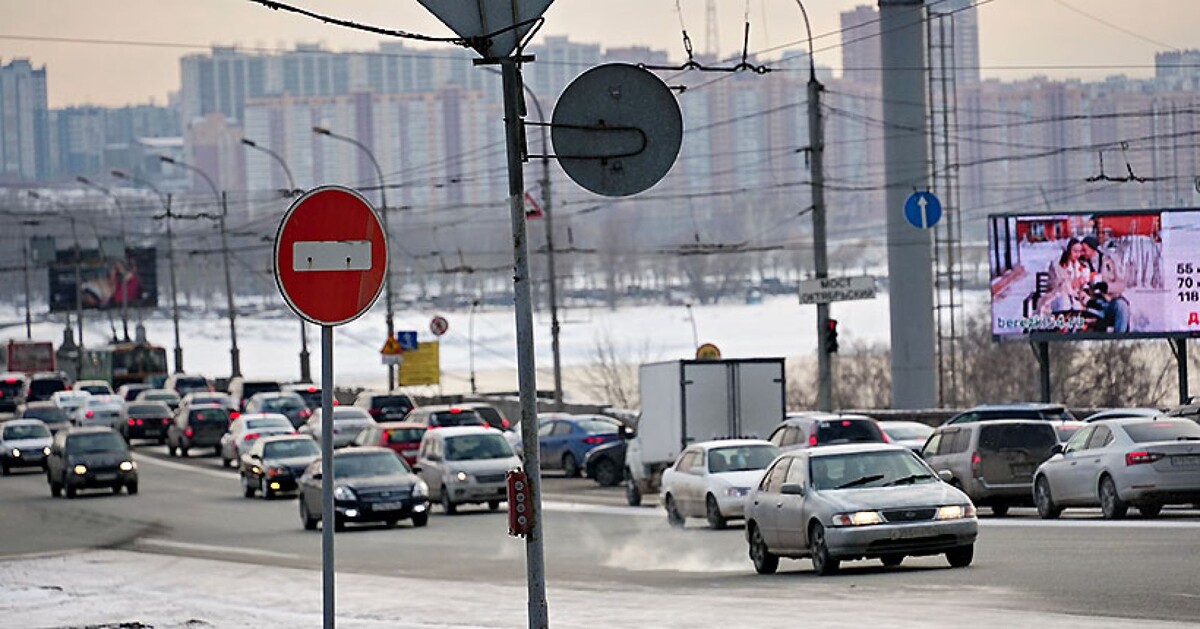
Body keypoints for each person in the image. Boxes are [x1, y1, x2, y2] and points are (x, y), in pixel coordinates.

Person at [1080, 235, 1130, 333]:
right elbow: (1078, 289)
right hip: (1091, 305)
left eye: (1084, 250)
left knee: (1122, 306)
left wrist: (1107, 287)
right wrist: (1088, 300)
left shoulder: (1109, 261)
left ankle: (1120, 338)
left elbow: (1121, 284)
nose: (1082, 253)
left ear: (1092, 249)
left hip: (1109, 301)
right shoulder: (1080, 264)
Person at [1040, 238, 1090, 314]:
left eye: (1080, 251)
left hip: (1075, 299)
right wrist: (1070, 285)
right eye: (1075, 251)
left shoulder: (1080, 265)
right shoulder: (1057, 265)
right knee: (1065, 302)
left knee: (1078, 306)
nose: (1078, 254)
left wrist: (1083, 284)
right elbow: (1054, 285)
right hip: (1056, 297)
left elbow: (1082, 288)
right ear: (1068, 250)